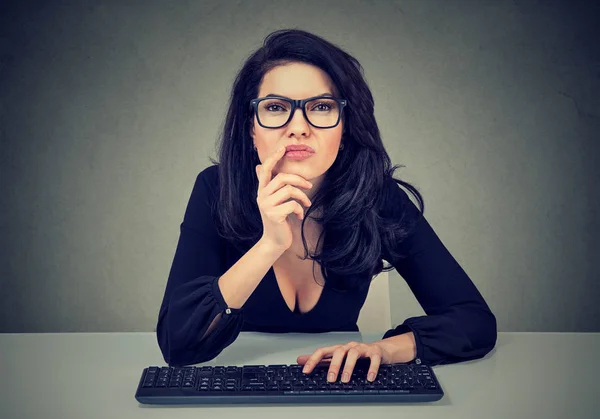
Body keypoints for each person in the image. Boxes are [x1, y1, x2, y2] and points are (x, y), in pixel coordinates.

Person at [156, 29, 497, 384]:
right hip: (243, 389)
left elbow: (473, 321)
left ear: (345, 127)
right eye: (276, 108)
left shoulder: (377, 196)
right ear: (251, 128)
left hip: (341, 387)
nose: (299, 128)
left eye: (321, 107)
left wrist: (383, 350)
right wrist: (269, 245)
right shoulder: (216, 188)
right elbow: (177, 343)